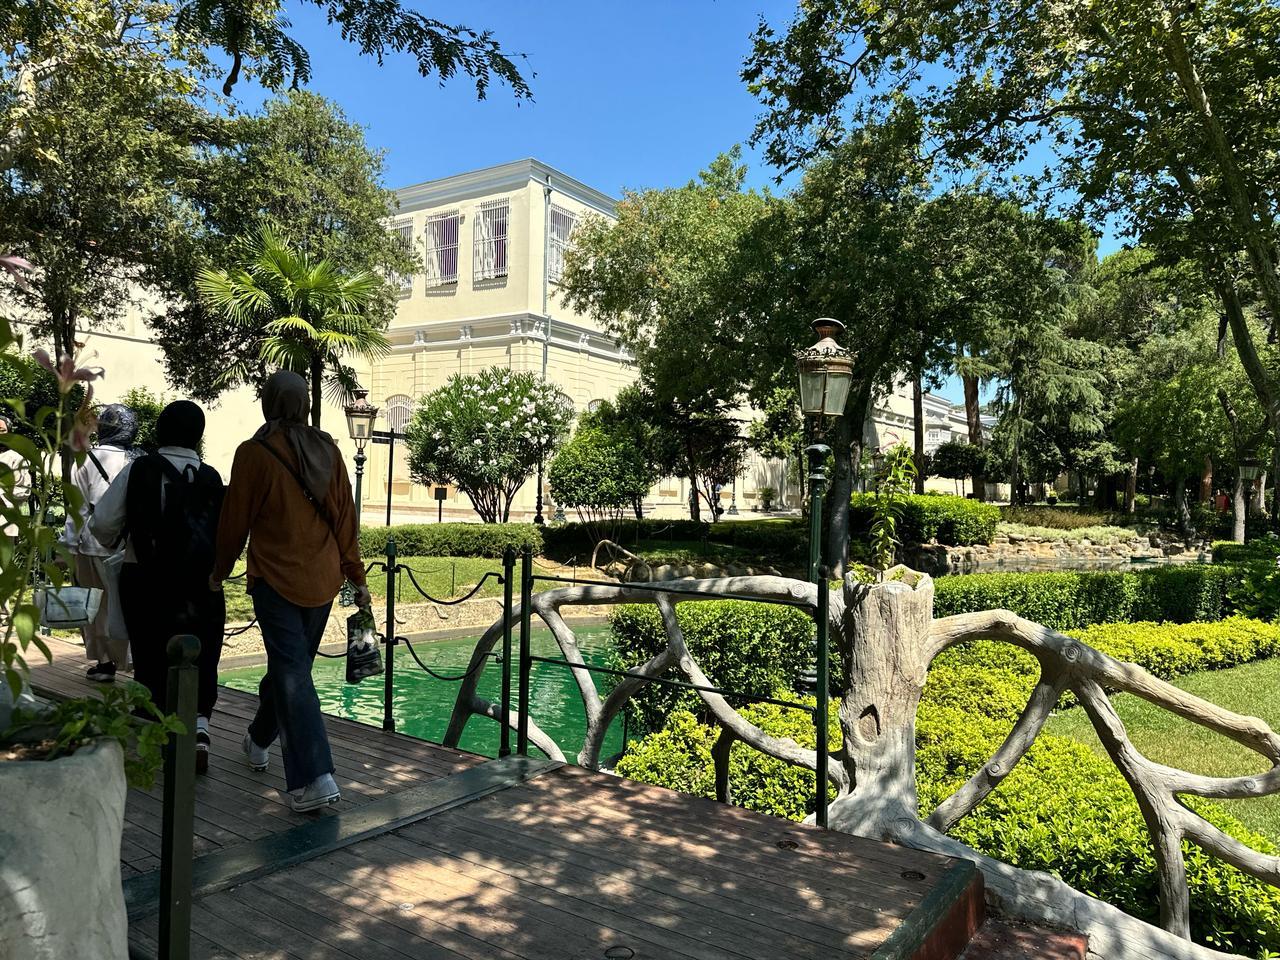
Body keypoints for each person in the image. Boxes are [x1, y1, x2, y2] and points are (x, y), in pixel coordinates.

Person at [211, 371, 370, 812]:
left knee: (290, 671)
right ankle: (259, 738)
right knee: (292, 669)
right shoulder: (330, 449)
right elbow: (345, 518)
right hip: (322, 581)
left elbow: (234, 521)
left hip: (276, 581)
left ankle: (315, 776)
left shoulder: (254, 453)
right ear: (302, 403)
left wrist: (217, 570)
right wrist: (355, 575)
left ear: (269, 402)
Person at [92, 401, 226, 773]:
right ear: (198, 435)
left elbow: (102, 525)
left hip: (146, 577)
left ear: (160, 430)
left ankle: (155, 733)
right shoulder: (212, 477)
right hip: (202, 584)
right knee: (202, 654)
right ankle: (200, 727)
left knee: (151, 655)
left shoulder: (140, 469)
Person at [66, 403, 136, 681]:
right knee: (127, 603)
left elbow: (76, 508)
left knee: (96, 607)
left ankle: (105, 663)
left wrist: (69, 546)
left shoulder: (84, 460)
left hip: (90, 542)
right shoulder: (138, 459)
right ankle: (132, 660)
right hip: (125, 543)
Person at [0, 412, 31, 540]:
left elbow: (25, 489)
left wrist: (2, 496)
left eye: (2, 430)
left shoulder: (16, 458)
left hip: (5, 523)